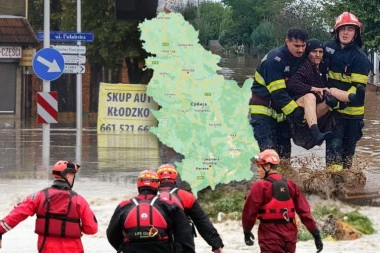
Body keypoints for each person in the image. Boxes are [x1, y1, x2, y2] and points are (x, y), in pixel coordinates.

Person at [0, 161, 98, 252]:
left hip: (46, 248)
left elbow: (17, 214)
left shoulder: (38, 196)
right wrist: (76, 228)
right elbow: (92, 229)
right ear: (68, 175)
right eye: (73, 175)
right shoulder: (79, 200)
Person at [286, 39, 365, 148]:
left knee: (331, 91)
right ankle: (316, 132)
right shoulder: (305, 66)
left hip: (316, 109)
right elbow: (292, 84)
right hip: (300, 107)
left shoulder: (323, 68)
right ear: (308, 53)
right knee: (310, 97)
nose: (317, 55)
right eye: (314, 52)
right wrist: (312, 88)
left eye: (320, 52)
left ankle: (353, 98)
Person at [242, 149, 323, 253]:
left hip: (269, 234)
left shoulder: (260, 186)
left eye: (259, 166)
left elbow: (249, 212)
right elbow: (304, 212)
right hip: (290, 235)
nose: (257, 170)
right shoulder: (291, 185)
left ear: (267, 166)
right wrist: (315, 234)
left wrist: (247, 231)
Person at [249, 28, 308, 160]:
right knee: (269, 155)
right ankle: (264, 179)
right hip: (263, 111)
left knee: (285, 157)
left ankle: (283, 180)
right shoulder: (274, 60)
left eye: (303, 46)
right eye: (296, 46)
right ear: (287, 41)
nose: (300, 50)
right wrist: (297, 114)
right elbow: (278, 93)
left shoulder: (299, 58)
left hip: (281, 114)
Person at [324, 11, 371, 170]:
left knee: (347, 156)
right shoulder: (327, 48)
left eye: (350, 29)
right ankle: (332, 190)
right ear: (336, 31)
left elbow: (357, 89)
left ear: (356, 33)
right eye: (342, 29)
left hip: (353, 115)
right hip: (333, 112)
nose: (345, 33)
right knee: (333, 152)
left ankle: (346, 184)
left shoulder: (360, 58)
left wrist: (340, 98)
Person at [107, 169, 195, 253]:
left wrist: (124, 248)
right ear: (157, 185)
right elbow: (185, 235)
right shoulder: (169, 205)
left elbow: (111, 234)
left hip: (131, 248)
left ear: (138, 185)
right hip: (162, 248)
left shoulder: (123, 206)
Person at [156, 163, 224, 253]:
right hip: (183, 244)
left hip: (157, 243)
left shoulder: (150, 198)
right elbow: (202, 221)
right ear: (175, 177)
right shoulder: (187, 197)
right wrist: (216, 245)